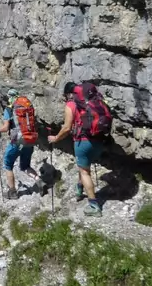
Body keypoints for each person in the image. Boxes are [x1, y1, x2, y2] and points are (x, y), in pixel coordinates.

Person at [48, 82, 109, 217]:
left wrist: (56, 138)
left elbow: (67, 128)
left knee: (84, 171)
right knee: (84, 166)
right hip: (99, 140)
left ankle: (94, 205)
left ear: (69, 93)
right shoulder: (94, 101)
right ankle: (79, 189)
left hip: (83, 142)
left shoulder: (71, 104)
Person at [0, 89, 46, 199]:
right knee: (25, 166)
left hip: (18, 141)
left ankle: (13, 192)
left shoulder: (9, 109)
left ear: (10, 97)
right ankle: (39, 181)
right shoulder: (28, 106)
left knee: (8, 164)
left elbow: (5, 128)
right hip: (30, 139)